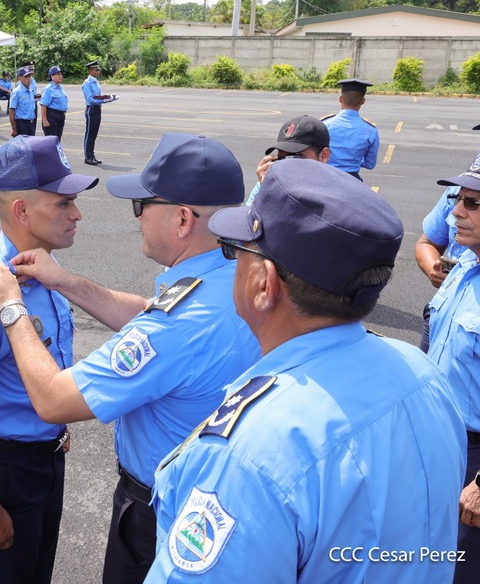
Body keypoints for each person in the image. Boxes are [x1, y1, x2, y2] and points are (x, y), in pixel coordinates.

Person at [144, 159, 465, 582]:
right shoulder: (422, 372)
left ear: (264, 284)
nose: (230, 263)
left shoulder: (250, 454)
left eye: (234, 250)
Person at [0, 134, 261, 584]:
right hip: (218, 502)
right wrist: (66, 282)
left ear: (182, 219)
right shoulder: (236, 274)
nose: (136, 217)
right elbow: (149, 311)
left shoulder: (179, 327)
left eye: (142, 205)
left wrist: (10, 306)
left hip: (163, 514)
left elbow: (53, 400)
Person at [0, 134, 98, 584]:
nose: (77, 213)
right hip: (1, 475)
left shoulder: (43, 274)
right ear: (22, 211)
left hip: (43, 459)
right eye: (64, 203)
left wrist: (52, 429)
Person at [427, 159, 480, 584]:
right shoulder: (463, 268)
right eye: (458, 200)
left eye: (473, 204)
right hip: (437, 437)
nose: (456, 213)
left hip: (473, 457)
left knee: (462, 567)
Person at [414, 156, 470, 352]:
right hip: (445, 309)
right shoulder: (461, 188)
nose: (458, 211)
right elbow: (427, 242)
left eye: (473, 203)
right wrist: (435, 271)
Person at [246, 115, 331, 205]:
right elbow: (248, 217)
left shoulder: (334, 193)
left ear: (323, 156)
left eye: (295, 158)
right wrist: (266, 190)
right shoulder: (268, 185)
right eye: (281, 159)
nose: (287, 166)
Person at [322, 78, 379, 181]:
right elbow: (370, 164)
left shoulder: (324, 124)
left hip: (325, 178)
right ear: (363, 101)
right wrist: (353, 160)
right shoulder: (370, 130)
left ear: (340, 99)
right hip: (352, 180)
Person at [81, 60, 116, 166]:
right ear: (91, 70)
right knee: (90, 134)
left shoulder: (95, 82)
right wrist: (104, 100)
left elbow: (98, 96)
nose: (99, 72)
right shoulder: (87, 83)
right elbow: (90, 100)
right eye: (97, 70)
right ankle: (88, 156)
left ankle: (92, 155)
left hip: (97, 109)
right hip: (92, 109)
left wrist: (108, 98)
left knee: (94, 133)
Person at [40, 66, 67, 140]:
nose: (60, 76)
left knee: (57, 141)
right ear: (52, 76)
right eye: (58, 74)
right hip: (52, 117)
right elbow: (43, 105)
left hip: (60, 117)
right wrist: (45, 120)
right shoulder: (49, 89)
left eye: (61, 74)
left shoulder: (60, 88)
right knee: (51, 143)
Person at [8, 67, 36, 138]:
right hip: (22, 124)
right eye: (26, 76)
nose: (28, 78)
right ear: (20, 78)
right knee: (22, 148)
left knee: (31, 147)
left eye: (29, 76)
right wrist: (14, 128)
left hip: (31, 123)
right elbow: (11, 111)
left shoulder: (30, 91)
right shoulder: (16, 92)